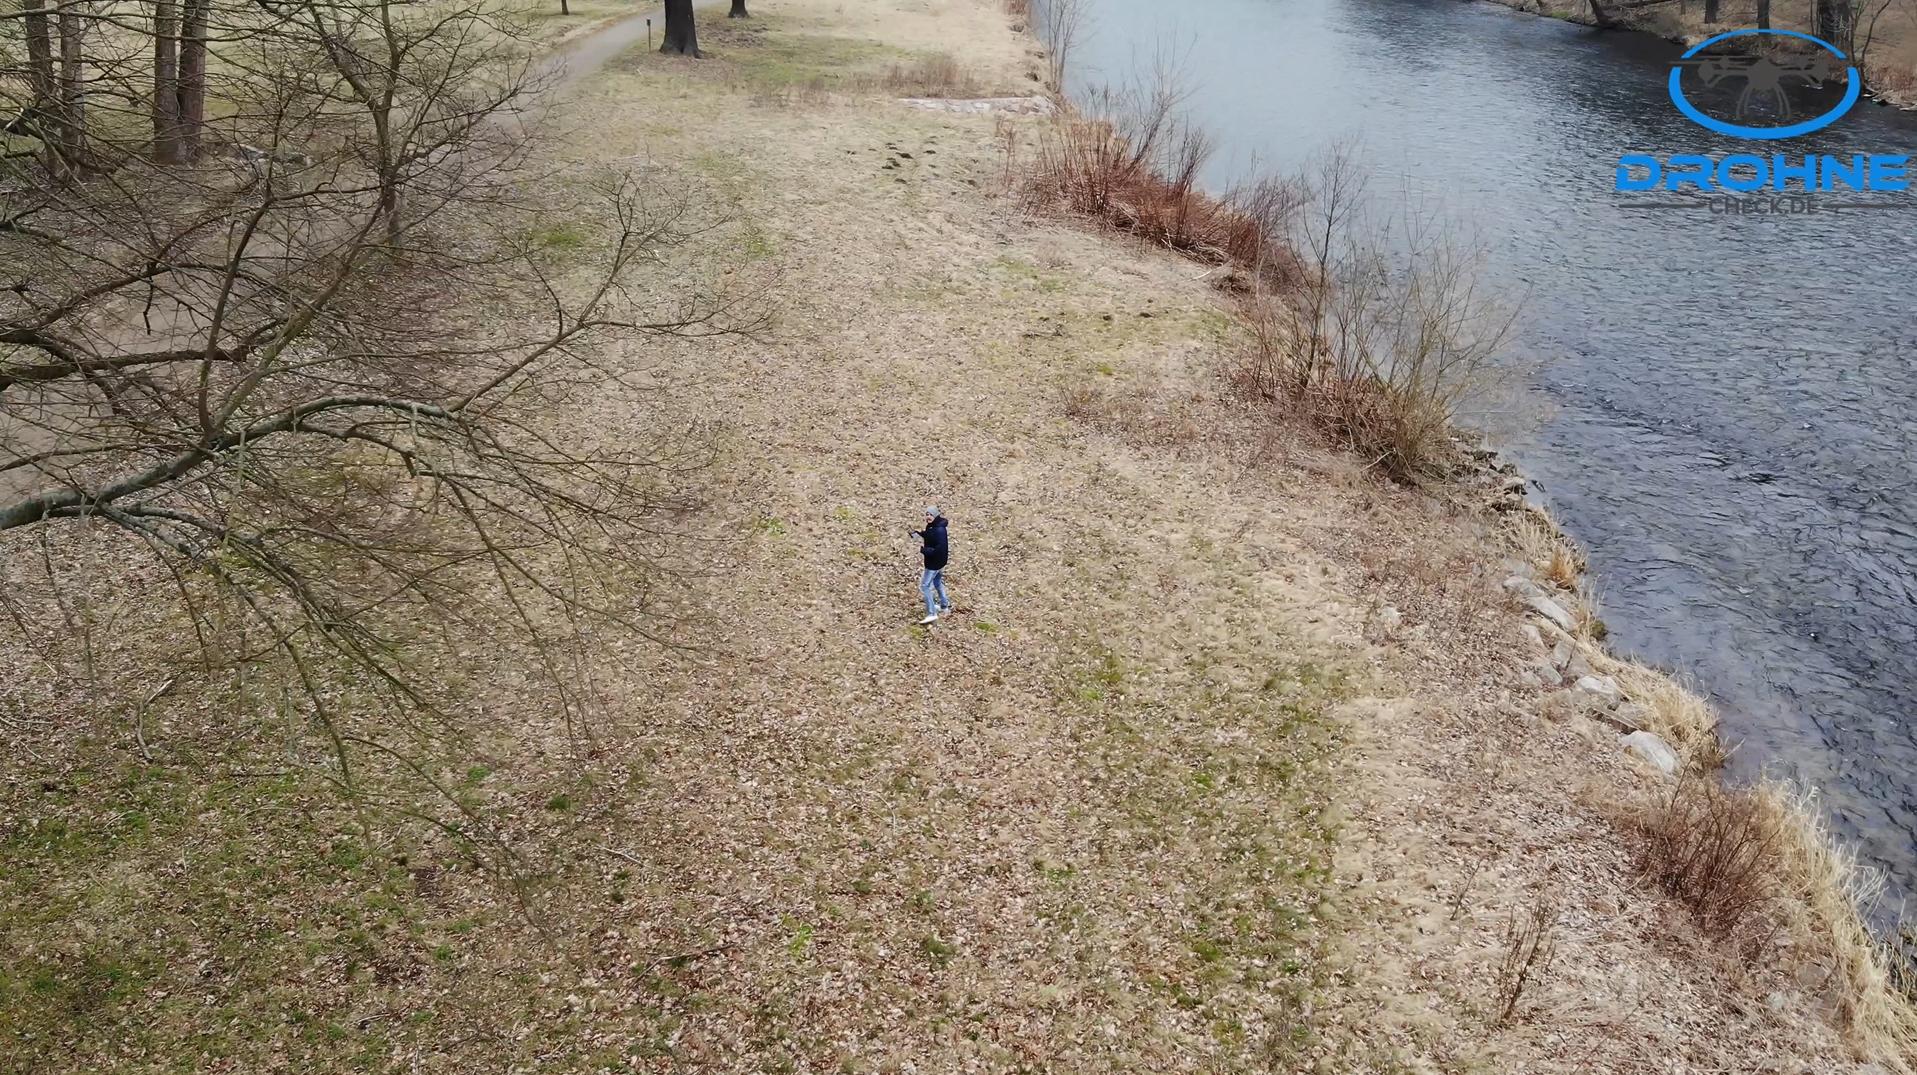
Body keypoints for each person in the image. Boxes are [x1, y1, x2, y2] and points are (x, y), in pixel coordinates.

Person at [912, 506, 952, 625]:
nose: (928, 517)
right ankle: (944, 606)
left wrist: (923, 550)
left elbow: (939, 549)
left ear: (936, 516)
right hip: (939, 563)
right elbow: (930, 536)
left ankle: (931, 613)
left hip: (934, 563)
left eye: (930, 515)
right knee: (937, 583)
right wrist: (919, 534)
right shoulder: (934, 526)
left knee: (925, 586)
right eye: (927, 514)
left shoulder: (939, 530)